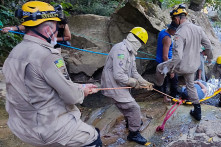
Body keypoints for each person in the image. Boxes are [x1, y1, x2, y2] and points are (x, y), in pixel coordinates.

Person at [3, 1, 102, 146]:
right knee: (93, 137)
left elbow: (40, 85)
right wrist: (83, 91)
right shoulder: (47, 56)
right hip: (48, 130)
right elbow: (72, 97)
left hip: (22, 127)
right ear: (48, 28)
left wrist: (79, 86)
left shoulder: (14, 53)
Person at [155, 4, 213, 121]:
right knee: (190, 86)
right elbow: (208, 46)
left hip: (181, 66)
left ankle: (158, 87)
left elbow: (177, 57)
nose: (173, 22)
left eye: (173, 19)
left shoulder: (179, 33)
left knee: (160, 68)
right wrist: (210, 59)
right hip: (194, 66)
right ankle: (197, 111)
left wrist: (171, 69)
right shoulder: (198, 29)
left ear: (177, 19)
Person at [101, 27, 154, 145]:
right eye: (141, 42)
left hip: (120, 83)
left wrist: (145, 82)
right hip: (113, 84)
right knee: (133, 107)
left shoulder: (130, 51)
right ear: (136, 40)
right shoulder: (121, 50)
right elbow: (118, 75)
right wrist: (135, 83)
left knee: (127, 105)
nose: (140, 45)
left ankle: (130, 122)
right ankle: (133, 133)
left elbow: (134, 72)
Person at [155, 22, 178, 102]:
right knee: (174, 80)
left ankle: (165, 97)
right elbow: (165, 56)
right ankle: (173, 98)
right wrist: (171, 70)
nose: (176, 33)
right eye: (175, 31)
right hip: (165, 62)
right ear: (172, 29)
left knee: (164, 80)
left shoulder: (163, 31)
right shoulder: (167, 39)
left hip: (159, 61)